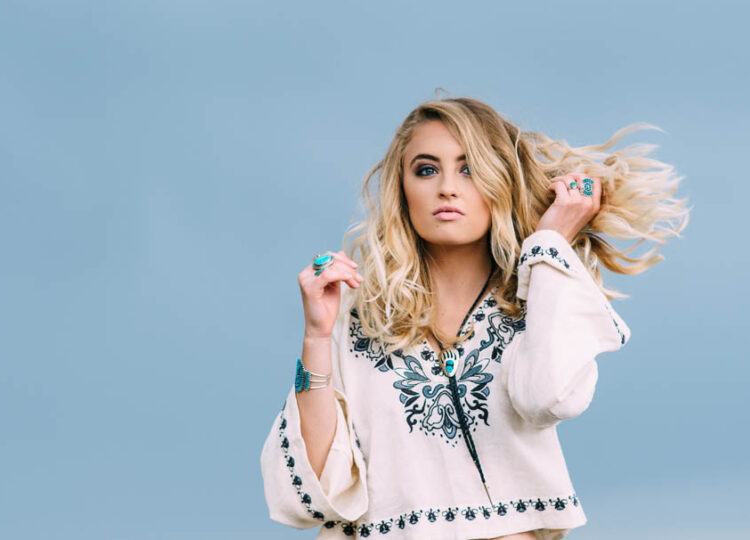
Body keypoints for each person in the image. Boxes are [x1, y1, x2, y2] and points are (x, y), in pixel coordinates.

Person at [260, 95, 689, 539]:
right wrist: (316, 336)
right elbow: (315, 491)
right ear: (402, 190)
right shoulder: (359, 312)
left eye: (469, 169)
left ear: (500, 180)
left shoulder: (538, 297)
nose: (447, 187)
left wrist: (550, 242)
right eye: (427, 170)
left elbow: (548, 398)